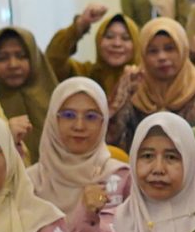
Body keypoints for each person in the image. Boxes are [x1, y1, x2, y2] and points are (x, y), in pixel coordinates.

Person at [26, 79, 125, 215]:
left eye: (90, 117)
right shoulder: (30, 182)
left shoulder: (121, 179)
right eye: (68, 115)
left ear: (104, 122)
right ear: (53, 120)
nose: (79, 126)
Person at [111, 19, 195, 150]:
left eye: (169, 48)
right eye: (153, 51)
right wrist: (123, 92)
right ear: (143, 56)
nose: (162, 57)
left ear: (183, 49)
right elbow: (113, 141)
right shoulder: (135, 95)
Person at [0, 26, 59, 154]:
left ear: (35, 59)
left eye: (21, 56)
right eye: (3, 58)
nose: (13, 65)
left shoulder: (56, 101)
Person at [45, 4, 139, 92]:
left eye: (125, 38)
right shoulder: (85, 75)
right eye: (109, 36)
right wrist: (80, 25)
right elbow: (53, 61)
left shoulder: (144, 80)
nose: (117, 44)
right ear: (98, 41)